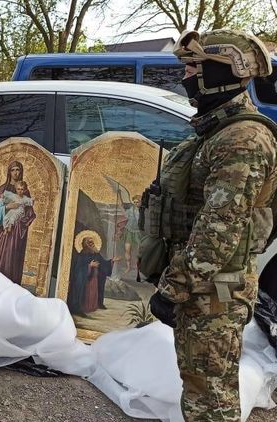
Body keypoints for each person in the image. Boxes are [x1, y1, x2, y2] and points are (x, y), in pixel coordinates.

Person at [146, 29, 277, 421]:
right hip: (205, 285)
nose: (186, 76)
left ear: (223, 71)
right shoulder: (219, 130)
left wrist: (174, 288)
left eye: (194, 68)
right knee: (200, 383)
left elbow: (219, 229)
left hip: (215, 289)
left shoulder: (243, 139)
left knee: (211, 393)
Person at [0, 161, 36, 284]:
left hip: (15, 233)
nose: (15, 173)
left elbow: (29, 213)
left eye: (18, 170)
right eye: (13, 170)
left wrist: (21, 219)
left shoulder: (25, 192)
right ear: (9, 172)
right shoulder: (2, 189)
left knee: (10, 260)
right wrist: (8, 207)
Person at [66, 230, 115, 315]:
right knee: (87, 293)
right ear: (85, 244)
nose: (92, 244)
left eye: (92, 242)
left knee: (93, 293)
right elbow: (77, 271)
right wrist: (89, 266)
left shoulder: (96, 254)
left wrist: (111, 261)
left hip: (94, 279)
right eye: (90, 242)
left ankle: (94, 305)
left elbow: (103, 263)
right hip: (86, 280)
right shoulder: (80, 256)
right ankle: (82, 307)